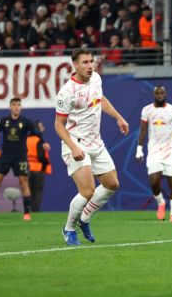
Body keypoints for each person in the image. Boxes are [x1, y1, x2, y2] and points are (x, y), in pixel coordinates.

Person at [55, 48, 130, 246]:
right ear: (75, 65)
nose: (90, 65)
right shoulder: (67, 92)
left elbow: (101, 99)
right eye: (85, 62)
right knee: (87, 191)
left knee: (112, 184)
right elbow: (58, 125)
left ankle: (84, 219)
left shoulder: (96, 78)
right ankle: (69, 229)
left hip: (96, 143)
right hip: (76, 145)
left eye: (91, 61)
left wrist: (118, 117)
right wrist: (73, 147)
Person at [0, 98, 49, 221]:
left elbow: (37, 132)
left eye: (18, 105)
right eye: (14, 105)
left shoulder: (26, 121)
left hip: (20, 156)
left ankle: (26, 213)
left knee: (23, 183)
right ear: (10, 107)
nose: (16, 107)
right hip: (5, 156)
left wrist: (44, 142)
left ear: (21, 107)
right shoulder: (3, 120)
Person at [136, 86, 172, 222]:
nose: (160, 95)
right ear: (154, 94)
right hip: (154, 150)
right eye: (157, 93)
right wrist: (139, 149)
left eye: (162, 92)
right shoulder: (147, 110)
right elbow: (143, 131)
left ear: (166, 94)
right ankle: (161, 203)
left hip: (171, 150)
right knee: (154, 181)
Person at [27, 121, 52, 212]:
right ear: (37, 128)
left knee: (28, 192)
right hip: (38, 169)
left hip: (27, 169)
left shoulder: (27, 139)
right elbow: (41, 156)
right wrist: (45, 165)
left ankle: (27, 211)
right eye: (41, 127)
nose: (43, 128)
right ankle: (35, 211)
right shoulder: (39, 141)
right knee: (37, 193)